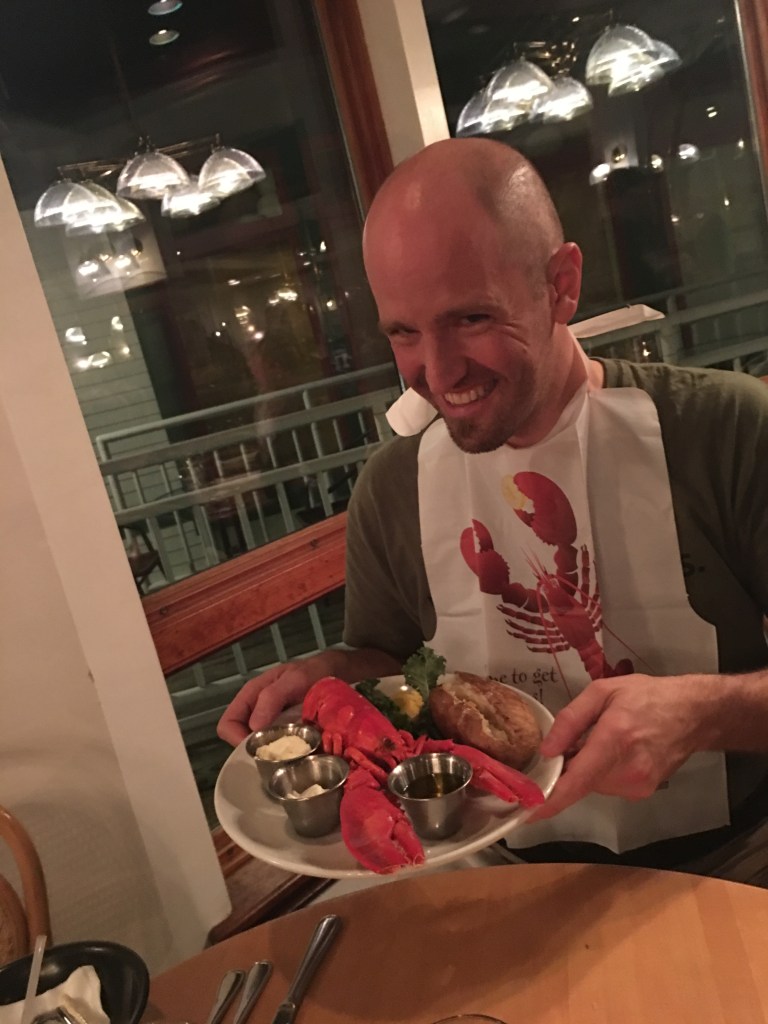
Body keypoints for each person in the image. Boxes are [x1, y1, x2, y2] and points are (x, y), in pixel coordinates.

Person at [218, 138, 768, 878]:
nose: (438, 373)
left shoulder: (725, 430)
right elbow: (389, 663)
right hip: (497, 862)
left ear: (561, 286)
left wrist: (705, 711)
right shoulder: (392, 487)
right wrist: (327, 674)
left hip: (737, 861)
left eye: (471, 318)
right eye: (404, 332)